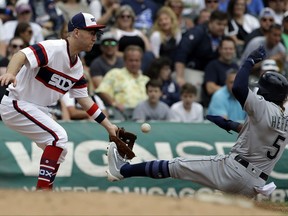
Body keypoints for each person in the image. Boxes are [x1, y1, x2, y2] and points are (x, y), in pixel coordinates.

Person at [106, 46, 288, 198]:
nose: (258, 92)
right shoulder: (285, 118)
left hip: (233, 170)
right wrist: (230, 125)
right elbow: (260, 134)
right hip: (255, 185)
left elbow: (239, 88)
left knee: (176, 166)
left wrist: (248, 61)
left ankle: (123, 170)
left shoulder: (264, 106)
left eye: (261, 90)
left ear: (268, 94)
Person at [0, 12, 118, 190]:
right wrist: (10, 72)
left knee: (59, 148)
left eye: (96, 33)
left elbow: (84, 100)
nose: (95, 37)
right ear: (77, 32)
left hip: (38, 109)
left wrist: (109, 126)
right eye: (91, 32)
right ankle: (43, 191)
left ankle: (46, 190)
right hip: (17, 103)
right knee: (59, 137)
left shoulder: (77, 68)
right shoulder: (54, 47)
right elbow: (20, 55)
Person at [174, 10, 228, 86]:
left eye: (224, 25)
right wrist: (180, 77)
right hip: (191, 70)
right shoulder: (197, 32)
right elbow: (182, 52)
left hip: (209, 73)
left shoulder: (222, 37)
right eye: (219, 24)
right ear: (210, 22)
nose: (222, 27)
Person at [96, 45, 149, 118]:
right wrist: (114, 103)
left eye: (137, 60)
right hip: (120, 113)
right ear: (124, 61)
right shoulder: (115, 73)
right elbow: (102, 91)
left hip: (143, 115)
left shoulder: (146, 79)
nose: (134, 63)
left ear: (141, 61)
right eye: (131, 60)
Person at [202, 36, 239, 107]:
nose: (228, 51)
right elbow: (210, 88)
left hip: (234, 105)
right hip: (216, 104)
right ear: (220, 50)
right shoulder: (212, 65)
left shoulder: (236, 66)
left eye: (231, 49)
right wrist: (230, 90)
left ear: (234, 50)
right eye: (225, 49)